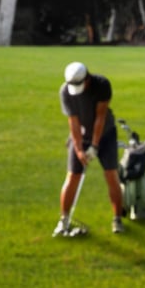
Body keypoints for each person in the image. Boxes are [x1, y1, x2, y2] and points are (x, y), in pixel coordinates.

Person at [54, 61, 126, 237]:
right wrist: (79, 150)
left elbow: (100, 118)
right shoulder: (66, 91)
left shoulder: (102, 85)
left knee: (111, 174)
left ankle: (117, 218)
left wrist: (94, 146)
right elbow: (74, 123)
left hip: (106, 134)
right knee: (72, 176)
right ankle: (63, 220)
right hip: (81, 135)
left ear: (87, 78)